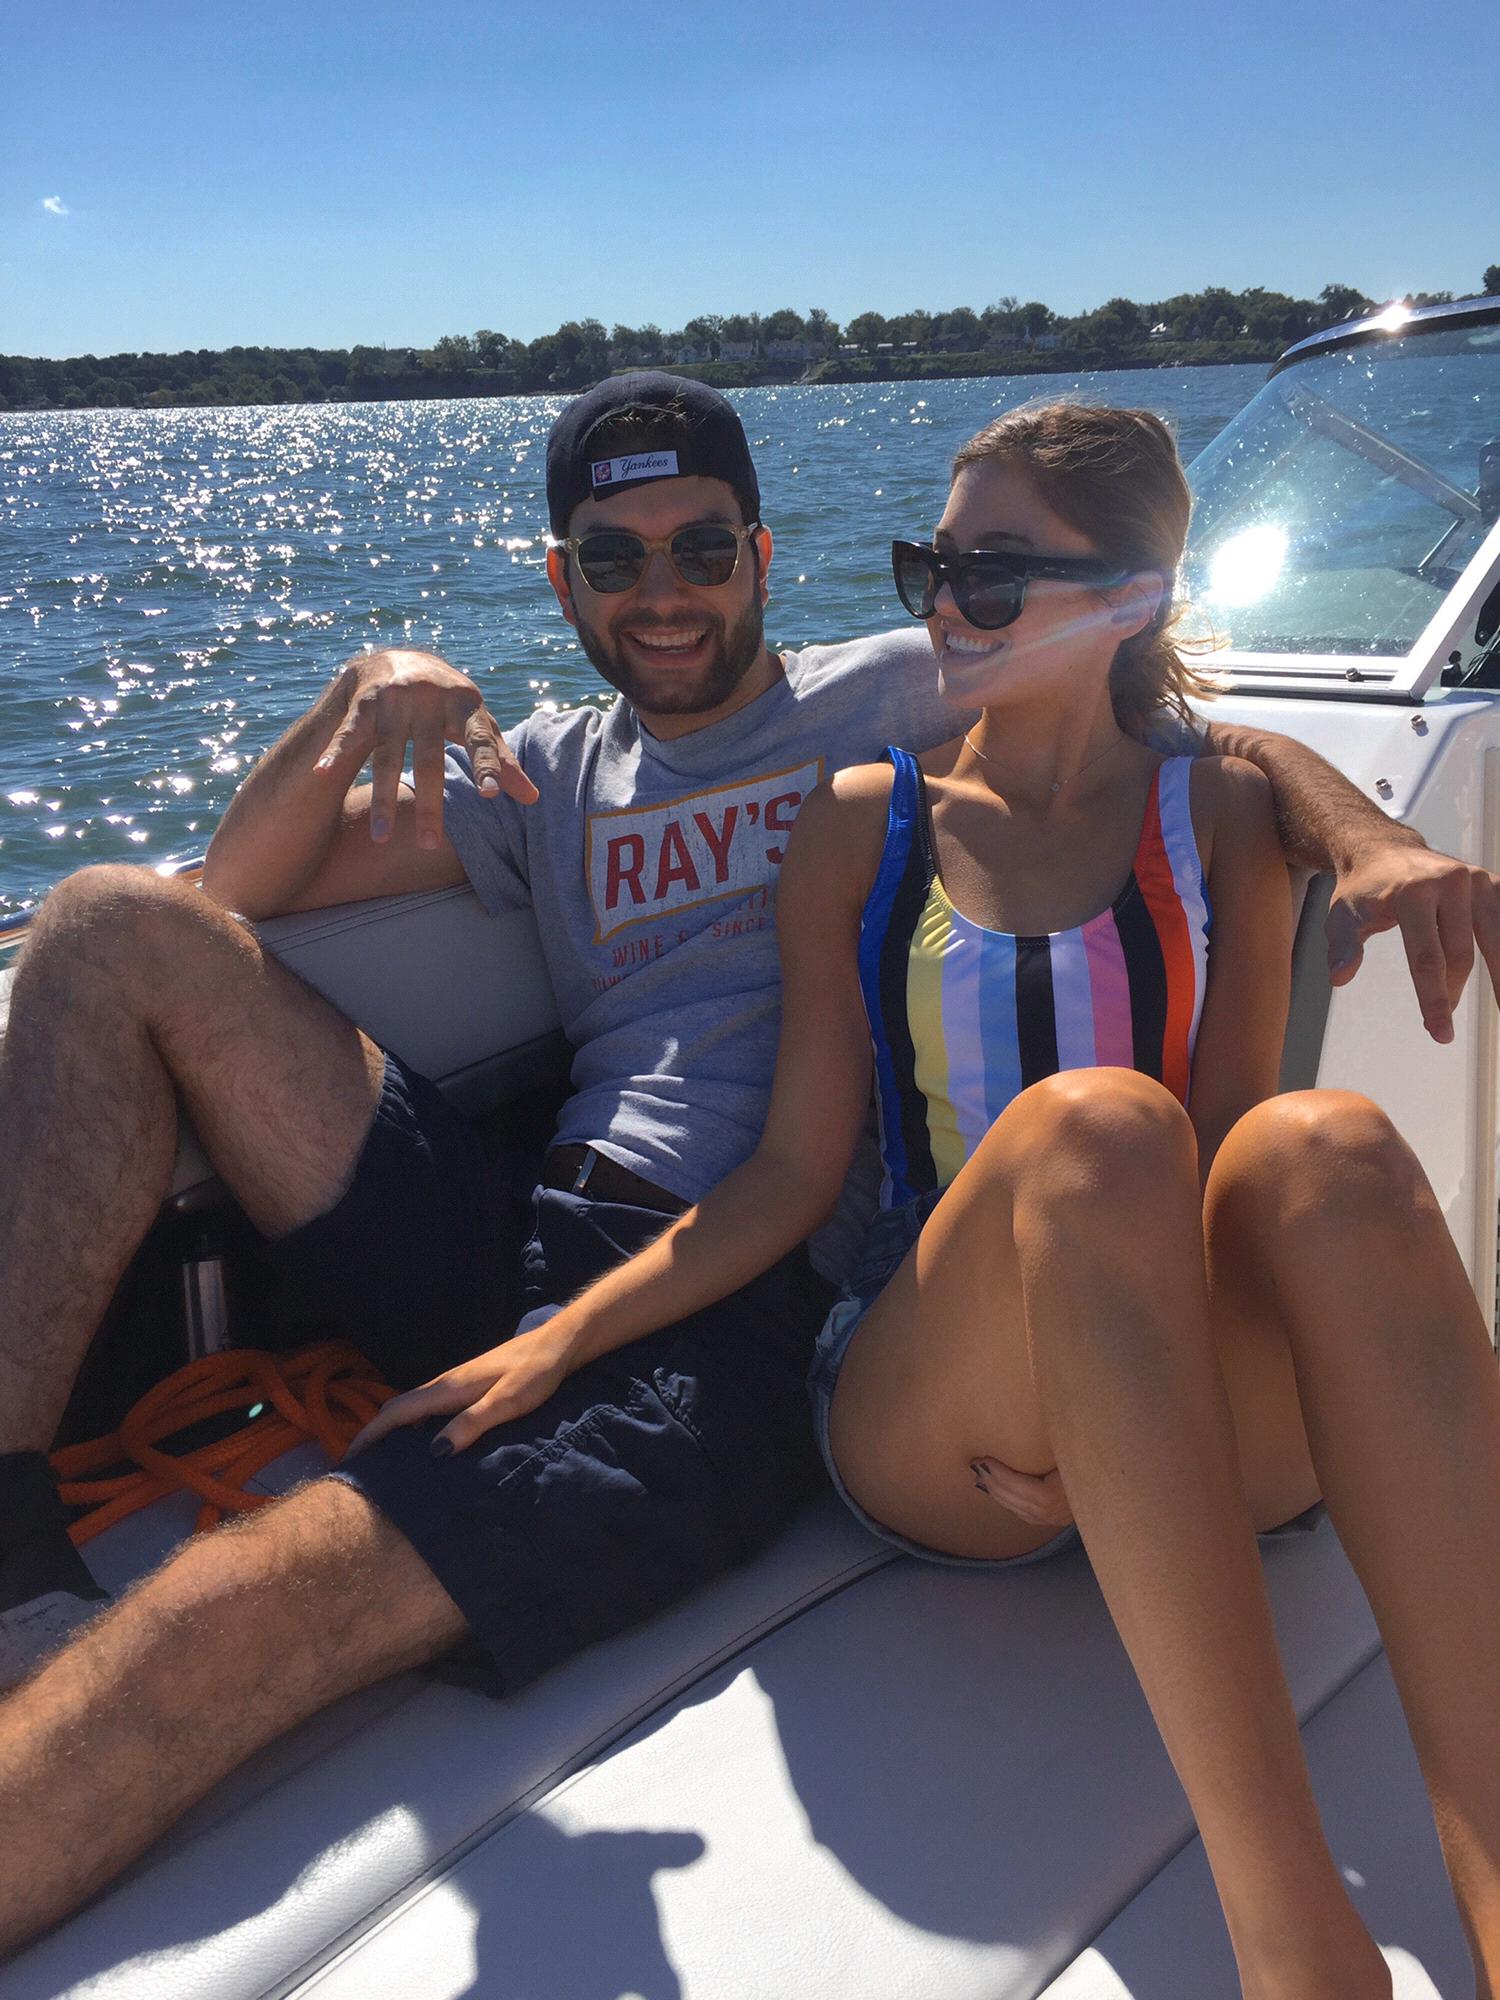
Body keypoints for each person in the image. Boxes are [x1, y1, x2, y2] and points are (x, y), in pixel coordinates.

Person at [0, 377, 1493, 1960]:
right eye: (615, 557)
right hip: (535, 1219)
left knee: (257, 1596)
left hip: (740, 1308)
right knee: (103, 925)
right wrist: (366, 694)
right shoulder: (543, 777)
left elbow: (1183, 727)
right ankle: (16, 1533)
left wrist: (1364, 835)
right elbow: (233, 893)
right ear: (562, 581)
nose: (664, 593)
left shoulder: (900, 691)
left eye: (703, 548)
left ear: (765, 556)